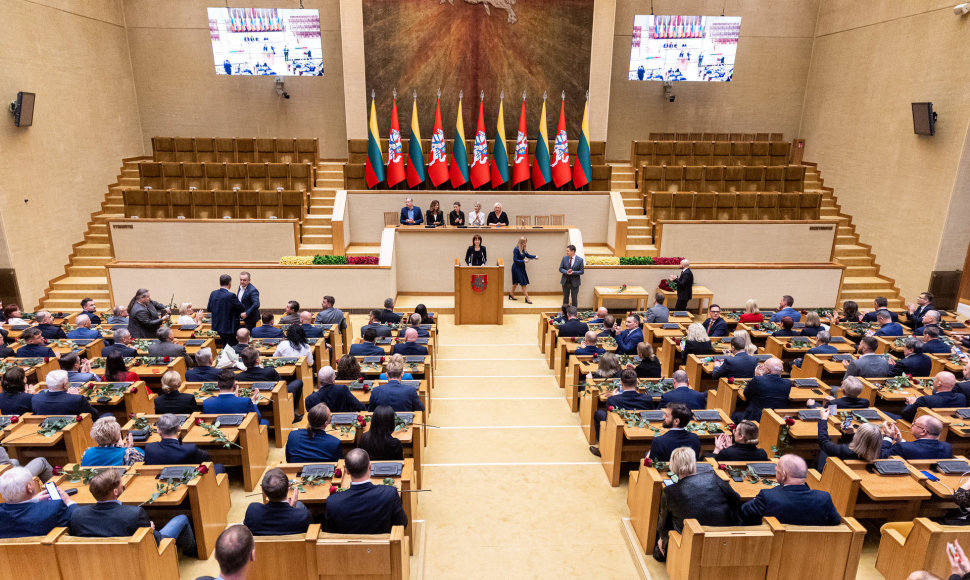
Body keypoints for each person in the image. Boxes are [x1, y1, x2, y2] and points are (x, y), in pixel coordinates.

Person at [70, 467, 196, 554]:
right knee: (182, 519)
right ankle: (191, 552)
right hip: (139, 556)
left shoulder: (77, 514)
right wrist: (150, 531)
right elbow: (154, 542)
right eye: (120, 482)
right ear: (115, 491)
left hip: (100, 560)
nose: (122, 484)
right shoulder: (134, 514)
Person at [653, 447, 742, 561]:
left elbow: (663, 524)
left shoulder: (669, 491)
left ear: (673, 468)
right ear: (694, 464)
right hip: (723, 536)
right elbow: (736, 500)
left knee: (658, 549)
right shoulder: (713, 477)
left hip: (691, 541)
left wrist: (662, 539)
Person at [740, 454, 841, 526]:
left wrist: (755, 500)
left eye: (777, 471)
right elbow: (836, 522)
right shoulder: (824, 498)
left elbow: (744, 512)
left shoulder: (768, 496)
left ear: (783, 474)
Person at [325, 448, 408, 534]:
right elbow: (402, 524)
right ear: (370, 466)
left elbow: (331, 533)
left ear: (347, 471)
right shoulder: (389, 494)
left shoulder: (333, 502)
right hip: (381, 546)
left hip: (347, 547)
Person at [0, 467, 77, 538]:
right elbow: (78, 519)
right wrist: (68, 501)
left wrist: (31, 501)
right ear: (29, 487)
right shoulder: (53, 508)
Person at [243, 468, 312, 536]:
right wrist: (292, 509)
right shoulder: (302, 515)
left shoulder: (252, 512)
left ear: (263, 490)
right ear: (289, 487)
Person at [815, 409, 884, 470]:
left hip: (834, 477)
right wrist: (850, 434)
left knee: (823, 451)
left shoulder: (844, 450)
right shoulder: (880, 454)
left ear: (858, 436)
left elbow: (823, 442)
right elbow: (866, 443)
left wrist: (823, 419)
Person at [144, 412, 210, 465]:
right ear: (179, 428)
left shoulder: (149, 448)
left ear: (158, 431)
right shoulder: (190, 449)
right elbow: (207, 457)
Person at [900, 372, 966, 423]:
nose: (933, 382)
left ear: (939, 384)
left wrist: (911, 404)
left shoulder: (925, 400)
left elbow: (905, 415)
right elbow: (942, 396)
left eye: (934, 380)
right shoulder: (961, 398)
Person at [881, 415, 952, 460]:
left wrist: (888, 437)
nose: (912, 425)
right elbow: (917, 448)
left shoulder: (903, 448)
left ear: (923, 431)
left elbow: (882, 456)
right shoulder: (946, 447)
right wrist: (900, 440)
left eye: (914, 424)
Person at [32, 369, 98, 417]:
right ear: (64, 384)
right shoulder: (77, 399)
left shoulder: (35, 398)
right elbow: (94, 415)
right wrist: (75, 397)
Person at [206, 274, 245, 346]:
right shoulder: (231, 295)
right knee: (232, 348)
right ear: (229, 283)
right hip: (229, 328)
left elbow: (209, 308)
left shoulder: (213, 293)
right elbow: (242, 308)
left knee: (225, 346)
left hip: (218, 326)